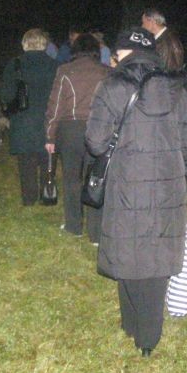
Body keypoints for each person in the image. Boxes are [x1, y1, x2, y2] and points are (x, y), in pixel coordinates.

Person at [85, 27, 187, 356]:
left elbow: (95, 143)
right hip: (169, 184)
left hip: (126, 182)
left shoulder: (112, 85)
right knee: (157, 254)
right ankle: (145, 334)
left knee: (127, 249)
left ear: (124, 53)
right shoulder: (176, 88)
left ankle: (135, 327)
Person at [45, 34, 110, 239]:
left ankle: (73, 226)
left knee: (71, 178)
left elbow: (55, 106)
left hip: (70, 130)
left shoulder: (65, 71)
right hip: (97, 128)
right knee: (96, 178)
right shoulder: (106, 72)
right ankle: (96, 233)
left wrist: (50, 136)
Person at [0, 29, 58, 206]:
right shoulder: (54, 65)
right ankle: (47, 193)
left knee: (26, 161)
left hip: (23, 119)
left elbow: (6, 95)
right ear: (44, 44)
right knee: (47, 158)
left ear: (24, 44)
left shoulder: (15, 64)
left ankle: (29, 197)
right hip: (48, 118)